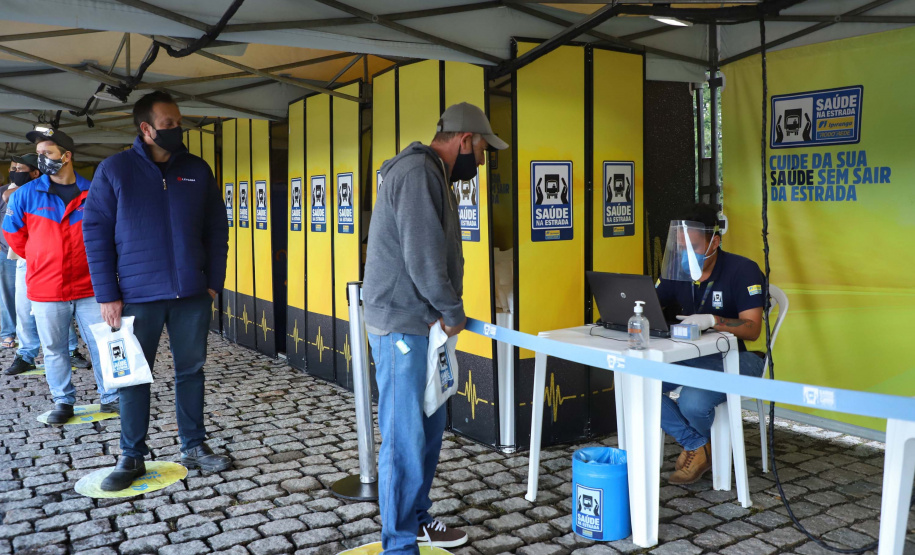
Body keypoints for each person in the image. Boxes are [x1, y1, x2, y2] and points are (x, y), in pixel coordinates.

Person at [363, 102, 508, 554]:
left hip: (419, 325)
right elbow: (423, 258)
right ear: (465, 140)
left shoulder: (429, 174)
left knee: (427, 428)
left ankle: (417, 519)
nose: (482, 160)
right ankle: (399, 544)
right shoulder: (418, 174)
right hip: (402, 326)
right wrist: (452, 310)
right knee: (405, 439)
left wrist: (443, 315)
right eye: (482, 148)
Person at [83, 91, 230, 491]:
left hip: (191, 296)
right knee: (132, 376)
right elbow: (94, 234)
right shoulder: (114, 170)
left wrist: (213, 283)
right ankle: (132, 455)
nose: (176, 129)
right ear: (146, 129)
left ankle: (194, 446)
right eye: (168, 124)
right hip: (135, 296)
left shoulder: (196, 169)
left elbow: (217, 228)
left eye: (178, 122)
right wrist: (107, 295)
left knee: (191, 372)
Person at [2, 130, 117, 423]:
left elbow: (110, 234)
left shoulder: (95, 191)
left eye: (48, 153)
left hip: (91, 286)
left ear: (67, 156)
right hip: (46, 286)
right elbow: (13, 235)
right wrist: (42, 256)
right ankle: (63, 402)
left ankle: (112, 398)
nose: (42, 158)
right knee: (54, 350)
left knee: (103, 343)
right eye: (39, 153)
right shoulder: (26, 194)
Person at [655, 204, 766, 484]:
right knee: (643, 384)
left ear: (714, 242)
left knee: (693, 401)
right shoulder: (677, 271)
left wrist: (713, 319)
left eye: (692, 247)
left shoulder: (743, 270)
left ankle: (698, 448)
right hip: (693, 357)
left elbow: (752, 329)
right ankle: (697, 445)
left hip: (740, 358)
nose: (685, 255)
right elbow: (652, 303)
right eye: (681, 248)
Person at [2, 154, 90, 375]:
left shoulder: (42, 190)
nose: (15, 171)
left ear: (35, 173)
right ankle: (26, 354)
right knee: (24, 310)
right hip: (25, 260)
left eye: (20, 168)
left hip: (54, 263)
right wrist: (34, 254)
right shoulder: (14, 192)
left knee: (61, 308)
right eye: (13, 168)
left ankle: (71, 350)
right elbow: (11, 230)